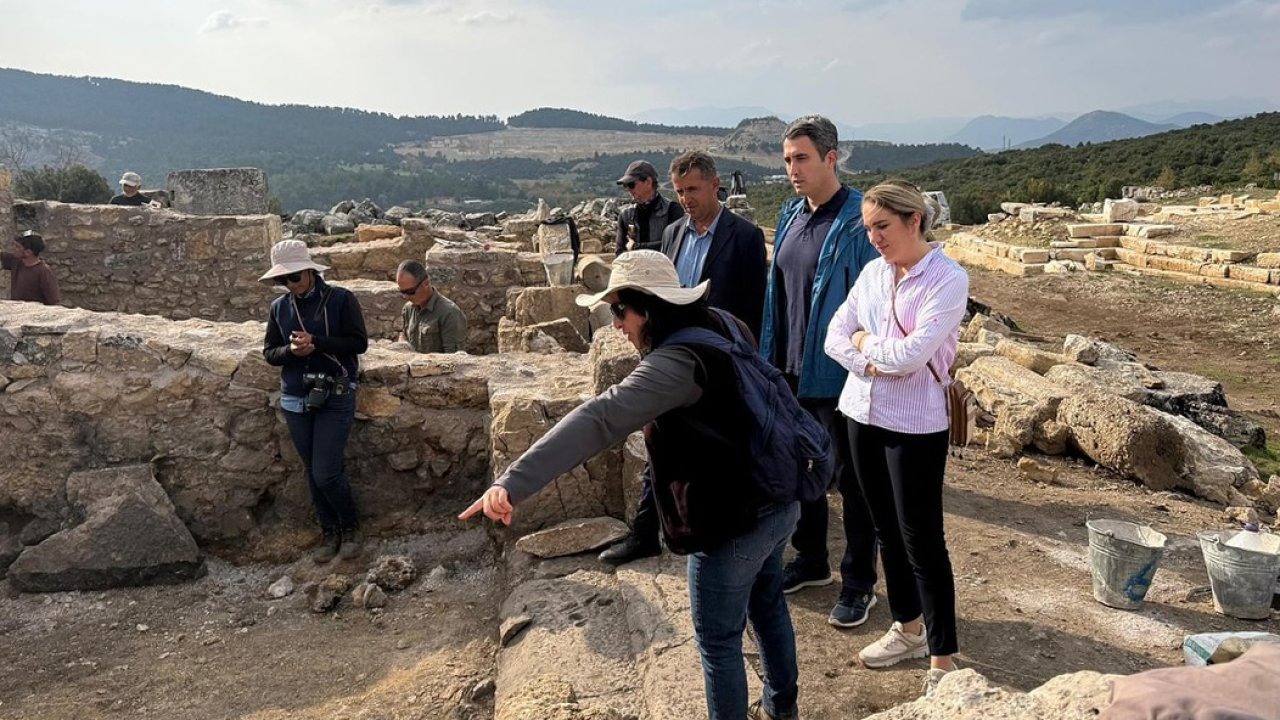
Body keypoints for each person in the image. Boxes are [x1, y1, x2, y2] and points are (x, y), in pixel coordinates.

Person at [460, 250, 802, 720]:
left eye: (620, 310)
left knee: (719, 643)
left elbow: (600, 418)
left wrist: (512, 482)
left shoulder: (675, 363)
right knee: (768, 607)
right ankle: (783, 709)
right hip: (777, 497)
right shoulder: (722, 323)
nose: (616, 324)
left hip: (730, 521)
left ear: (651, 307)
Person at [823, 181, 968, 696]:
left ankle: (943, 660)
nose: (874, 238)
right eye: (868, 229)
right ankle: (907, 626)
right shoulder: (871, 273)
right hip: (860, 412)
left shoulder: (947, 279)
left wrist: (865, 345)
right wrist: (869, 354)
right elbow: (833, 336)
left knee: (923, 538)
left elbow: (912, 358)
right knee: (884, 527)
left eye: (882, 226)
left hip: (915, 424)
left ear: (914, 220)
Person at [597, 152, 768, 567]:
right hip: (673, 356)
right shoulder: (673, 233)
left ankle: (741, 535)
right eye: (680, 191)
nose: (686, 198)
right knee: (661, 443)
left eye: (693, 189)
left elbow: (754, 306)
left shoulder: (745, 236)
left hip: (719, 364)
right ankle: (646, 532)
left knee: (719, 453)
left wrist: (746, 358)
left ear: (715, 184)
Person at [759, 115, 883, 629]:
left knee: (855, 483)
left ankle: (859, 585)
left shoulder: (858, 220)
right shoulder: (791, 213)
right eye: (787, 159)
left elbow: (874, 301)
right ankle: (811, 561)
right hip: (789, 370)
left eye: (802, 158)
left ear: (832, 158)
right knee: (799, 473)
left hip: (838, 375)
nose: (792, 168)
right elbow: (778, 294)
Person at [261, 240, 369, 563]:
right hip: (296, 397)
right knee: (311, 470)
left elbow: (358, 343)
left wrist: (317, 344)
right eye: (284, 280)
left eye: (294, 278)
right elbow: (270, 352)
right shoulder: (280, 308)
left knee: (326, 473)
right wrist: (292, 352)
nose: (290, 285)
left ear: (309, 271)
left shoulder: (340, 300)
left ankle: (349, 527)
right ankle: (329, 531)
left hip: (335, 393)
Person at [396, 259, 467, 353]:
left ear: (426, 283)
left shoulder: (449, 314)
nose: (405, 297)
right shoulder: (408, 309)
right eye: (402, 292)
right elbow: (405, 336)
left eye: (410, 292)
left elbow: (454, 359)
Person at [614, 160, 684, 253]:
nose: (629, 190)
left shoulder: (673, 210)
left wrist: (636, 247)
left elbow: (676, 244)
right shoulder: (626, 215)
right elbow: (620, 251)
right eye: (626, 186)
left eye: (631, 185)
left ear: (648, 182)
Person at [2, 230, 61, 305]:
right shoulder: (16, 261)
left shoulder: (44, 272)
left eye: (17, 247)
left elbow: (54, 302)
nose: (13, 248)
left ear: (28, 252)